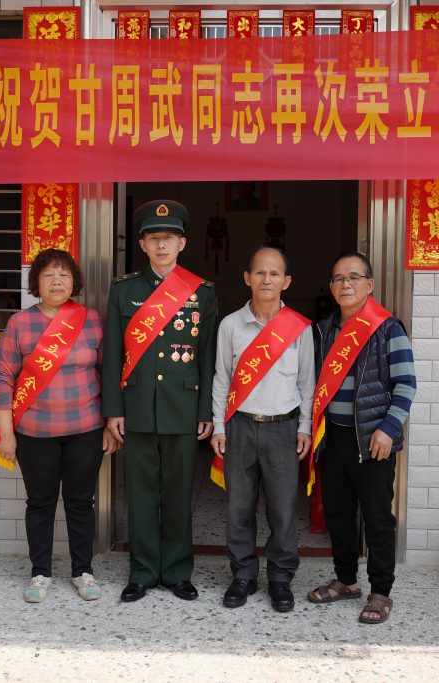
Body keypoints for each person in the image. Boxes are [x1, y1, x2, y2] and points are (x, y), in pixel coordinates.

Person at [102, 199, 217, 603]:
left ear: (182, 243)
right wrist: (113, 409)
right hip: (136, 409)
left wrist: (206, 411)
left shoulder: (201, 292)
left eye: (169, 238)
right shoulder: (124, 289)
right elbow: (113, 354)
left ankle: (177, 572)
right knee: (141, 494)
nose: (162, 245)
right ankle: (143, 572)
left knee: (178, 494)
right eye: (154, 238)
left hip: (182, 408)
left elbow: (207, 355)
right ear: (142, 244)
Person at [0, 249, 118, 603]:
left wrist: (110, 425)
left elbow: (109, 374)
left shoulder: (91, 320)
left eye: (64, 274)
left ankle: (82, 571)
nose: (57, 281)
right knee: (40, 503)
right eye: (48, 275)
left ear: (74, 282)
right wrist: (6, 433)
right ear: (36, 282)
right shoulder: (20, 323)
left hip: (86, 429)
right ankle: (40, 573)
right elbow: (2, 378)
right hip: (34, 433)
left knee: (81, 502)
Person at [306, 251, 416, 625]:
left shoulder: (388, 328)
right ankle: (346, 580)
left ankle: (381, 590)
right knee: (338, 514)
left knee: (377, 518)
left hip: (372, 440)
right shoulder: (324, 330)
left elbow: (406, 384)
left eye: (353, 277)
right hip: (332, 438)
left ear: (369, 284)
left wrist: (388, 429)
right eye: (338, 278)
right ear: (331, 286)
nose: (346, 284)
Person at [210, 246, 314, 612]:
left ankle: (280, 578)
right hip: (240, 427)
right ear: (247, 278)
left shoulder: (300, 328)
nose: (266, 279)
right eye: (259, 273)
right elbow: (221, 379)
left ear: (286, 281)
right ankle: (243, 575)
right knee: (238, 508)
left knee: (283, 510)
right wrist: (219, 427)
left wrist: (305, 426)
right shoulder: (230, 325)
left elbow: (307, 383)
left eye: (274, 274)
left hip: (283, 429)